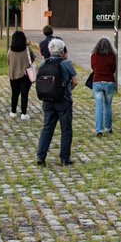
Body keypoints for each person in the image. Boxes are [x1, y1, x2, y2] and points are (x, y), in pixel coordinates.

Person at [36, 38, 76, 166]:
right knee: (66, 129)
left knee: (47, 128)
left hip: (47, 99)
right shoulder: (66, 63)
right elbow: (75, 81)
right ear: (62, 50)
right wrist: (68, 88)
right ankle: (65, 158)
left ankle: (40, 156)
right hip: (63, 100)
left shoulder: (43, 63)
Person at [90, 38, 117, 136]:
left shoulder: (94, 56)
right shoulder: (112, 56)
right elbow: (113, 69)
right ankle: (108, 128)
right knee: (108, 105)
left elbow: (93, 67)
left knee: (99, 106)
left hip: (97, 81)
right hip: (109, 82)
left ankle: (99, 130)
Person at [7, 30, 35, 119]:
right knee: (24, 94)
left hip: (13, 74)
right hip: (25, 75)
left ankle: (13, 111)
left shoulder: (10, 50)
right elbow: (33, 57)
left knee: (14, 94)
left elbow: (8, 61)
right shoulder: (27, 49)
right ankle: (23, 113)